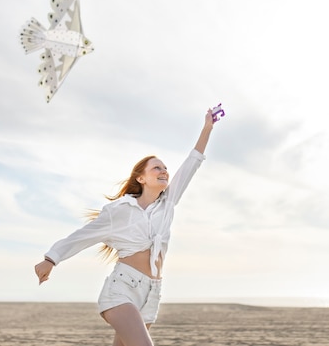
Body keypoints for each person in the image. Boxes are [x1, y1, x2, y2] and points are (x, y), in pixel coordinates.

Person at [34, 108, 216, 346]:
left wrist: (207, 128)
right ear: (141, 178)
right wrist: (52, 258)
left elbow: (192, 164)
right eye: (156, 168)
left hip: (152, 293)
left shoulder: (167, 204)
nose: (164, 171)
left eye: (165, 168)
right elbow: (84, 235)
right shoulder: (119, 211)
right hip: (123, 290)